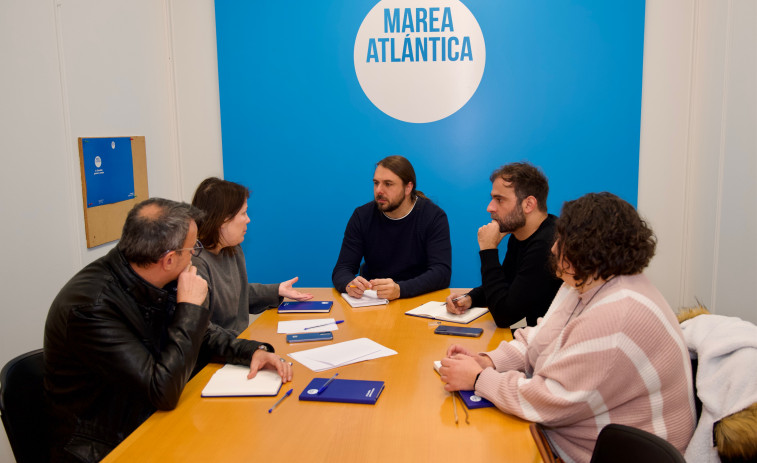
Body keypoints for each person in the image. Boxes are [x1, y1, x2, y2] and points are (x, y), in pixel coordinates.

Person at [439, 192, 696, 463]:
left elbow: (549, 399)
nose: (553, 248)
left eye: (562, 240)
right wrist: (487, 360)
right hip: (578, 439)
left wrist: (480, 379)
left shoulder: (617, 316)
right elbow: (537, 339)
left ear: (588, 248)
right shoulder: (583, 283)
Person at [43, 198, 293, 462]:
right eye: (193, 248)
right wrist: (190, 308)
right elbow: (161, 390)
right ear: (170, 259)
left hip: (147, 420)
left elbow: (202, 335)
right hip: (107, 445)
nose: (195, 255)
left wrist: (251, 351)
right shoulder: (91, 308)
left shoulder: (147, 272)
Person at [445, 162, 561, 328]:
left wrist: (488, 250)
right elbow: (505, 283)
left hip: (549, 348)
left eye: (499, 200)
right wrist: (470, 298)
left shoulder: (548, 244)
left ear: (528, 204)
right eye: (492, 199)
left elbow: (504, 315)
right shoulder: (520, 233)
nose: (489, 207)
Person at [191, 177, 312, 335]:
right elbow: (203, 332)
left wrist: (276, 290)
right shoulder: (194, 263)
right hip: (218, 354)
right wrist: (249, 347)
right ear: (222, 219)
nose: (248, 219)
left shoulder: (231, 248)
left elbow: (238, 295)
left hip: (237, 347)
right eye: (243, 213)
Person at [332, 155, 451, 300]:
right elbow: (342, 269)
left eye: (388, 184)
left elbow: (441, 272)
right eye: (376, 183)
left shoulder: (433, 216)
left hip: (418, 300)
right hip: (374, 301)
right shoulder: (362, 216)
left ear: (408, 187)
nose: (379, 190)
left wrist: (400, 289)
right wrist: (349, 284)